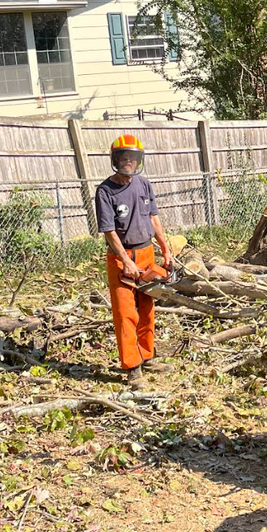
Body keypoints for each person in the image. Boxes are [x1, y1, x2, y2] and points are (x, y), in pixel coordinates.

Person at [95, 134, 172, 387]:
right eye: (124, 158)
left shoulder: (144, 184)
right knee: (125, 313)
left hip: (147, 252)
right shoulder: (105, 191)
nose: (129, 163)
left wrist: (166, 249)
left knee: (147, 309)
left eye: (133, 159)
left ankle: (147, 356)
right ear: (116, 160)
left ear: (139, 161)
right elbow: (109, 231)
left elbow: (153, 218)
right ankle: (132, 367)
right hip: (122, 258)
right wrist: (125, 261)